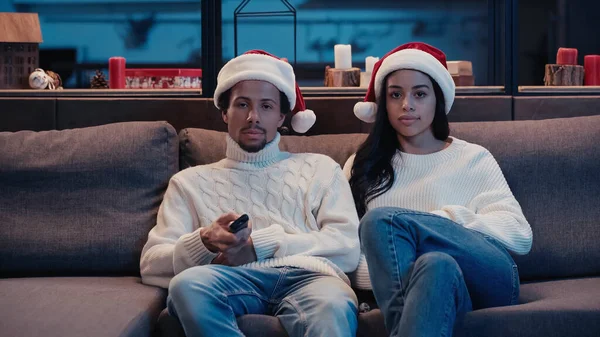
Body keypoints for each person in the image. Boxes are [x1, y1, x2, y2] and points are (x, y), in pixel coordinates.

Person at [140, 50, 361, 337]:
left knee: (333, 304)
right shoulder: (189, 182)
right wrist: (204, 242)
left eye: (266, 106)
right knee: (187, 286)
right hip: (228, 279)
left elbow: (346, 247)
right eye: (242, 104)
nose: (253, 117)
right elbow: (150, 265)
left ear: (282, 115)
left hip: (310, 278)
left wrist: (260, 246)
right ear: (224, 112)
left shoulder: (321, 168)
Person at [344, 42, 533, 337]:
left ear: (438, 99)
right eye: (396, 95)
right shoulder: (362, 165)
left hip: (488, 279)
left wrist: (441, 222)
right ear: (384, 103)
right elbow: (344, 247)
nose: (407, 104)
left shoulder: (472, 158)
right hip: (435, 286)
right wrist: (413, 264)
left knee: (381, 221)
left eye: (420, 94)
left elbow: (519, 235)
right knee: (435, 263)